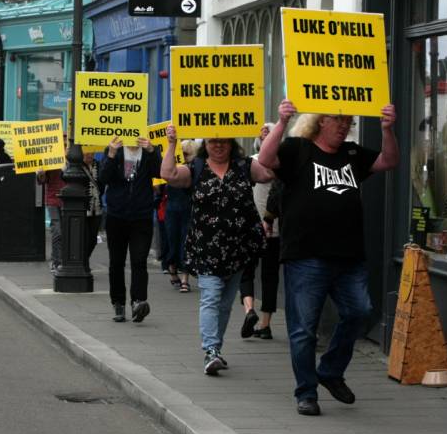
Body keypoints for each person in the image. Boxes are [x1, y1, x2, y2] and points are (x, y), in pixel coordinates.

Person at [257, 100, 399, 416]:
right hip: (306, 256)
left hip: (348, 256)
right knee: (304, 328)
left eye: (347, 120)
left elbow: (389, 161)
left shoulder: (352, 154)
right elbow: (266, 159)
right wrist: (281, 123)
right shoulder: (297, 149)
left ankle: (331, 371)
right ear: (321, 121)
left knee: (359, 311)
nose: (343, 125)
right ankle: (306, 392)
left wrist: (387, 130)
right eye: (337, 119)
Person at [160, 128, 272, 376]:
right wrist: (171, 143)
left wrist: (267, 142)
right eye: (213, 141)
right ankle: (210, 350)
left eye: (223, 141)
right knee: (210, 298)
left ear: (232, 143)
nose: (218, 145)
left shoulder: (244, 166)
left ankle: (216, 350)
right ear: (205, 144)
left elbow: (269, 172)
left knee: (224, 304)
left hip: (238, 249)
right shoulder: (197, 168)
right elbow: (167, 174)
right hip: (207, 248)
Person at [100, 136, 161, 323]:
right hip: (117, 216)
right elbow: (103, 178)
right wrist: (110, 154)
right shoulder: (114, 150)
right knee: (116, 262)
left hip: (141, 216)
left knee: (139, 261)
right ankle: (118, 303)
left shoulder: (149, 151)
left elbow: (161, 173)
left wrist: (152, 152)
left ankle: (138, 302)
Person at [240, 123, 281, 340]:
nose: (265, 132)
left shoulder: (281, 162)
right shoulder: (251, 161)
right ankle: (250, 312)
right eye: (262, 131)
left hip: (273, 228)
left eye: (270, 130)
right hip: (251, 226)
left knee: (269, 276)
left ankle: (265, 324)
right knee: (247, 271)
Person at [163, 139, 197, 293]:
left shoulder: (193, 169)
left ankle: (185, 278)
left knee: (186, 242)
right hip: (172, 208)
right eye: (181, 153)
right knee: (172, 240)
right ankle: (172, 269)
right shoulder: (173, 169)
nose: (183, 156)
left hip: (188, 209)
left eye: (186, 153)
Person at [37, 167, 66, 273]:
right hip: (52, 199)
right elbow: (41, 181)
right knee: (57, 230)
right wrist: (41, 173)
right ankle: (56, 261)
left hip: (66, 199)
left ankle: (61, 259)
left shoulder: (69, 160)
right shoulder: (49, 161)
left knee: (64, 231)